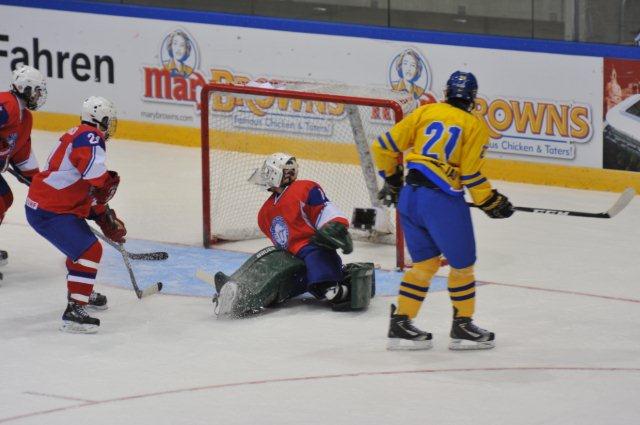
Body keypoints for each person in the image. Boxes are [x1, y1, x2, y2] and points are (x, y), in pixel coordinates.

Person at [372, 71, 514, 351]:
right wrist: (491, 201)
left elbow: (383, 146)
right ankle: (462, 325)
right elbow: (471, 174)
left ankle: (401, 322)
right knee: (462, 265)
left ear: (447, 93)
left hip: (410, 197)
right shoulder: (474, 125)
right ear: (473, 98)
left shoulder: (425, 111)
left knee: (424, 264)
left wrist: (392, 178)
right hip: (441, 202)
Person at [212, 153, 374, 317]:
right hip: (288, 257)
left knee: (317, 256)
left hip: (311, 249)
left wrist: (334, 225)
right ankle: (239, 289)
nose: (264, 174)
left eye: (268, 171)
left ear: (276, 173)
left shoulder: (304, 189)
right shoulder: (264, 213)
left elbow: (324, 210)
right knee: (272, 270)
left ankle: (333, 289)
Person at [25, 96, 126, 333]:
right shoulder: (90, 136)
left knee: (80, 248)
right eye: (108, 120)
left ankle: (81, 291)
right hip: (51, 210)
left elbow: (86, 188)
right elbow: (95, 178)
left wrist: (104, 217)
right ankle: (74, 311)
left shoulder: (79, 134)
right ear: (100, 119)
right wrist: (105, 185)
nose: (109, 126)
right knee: (89, 250)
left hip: (53, 206)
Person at [0, 65, 47, 272]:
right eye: (36, 91)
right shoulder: (6, 103)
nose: (38, 96)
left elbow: (22, 155)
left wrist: (40, 184)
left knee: (5, 198)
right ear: (24, 88)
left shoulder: (25, 118)